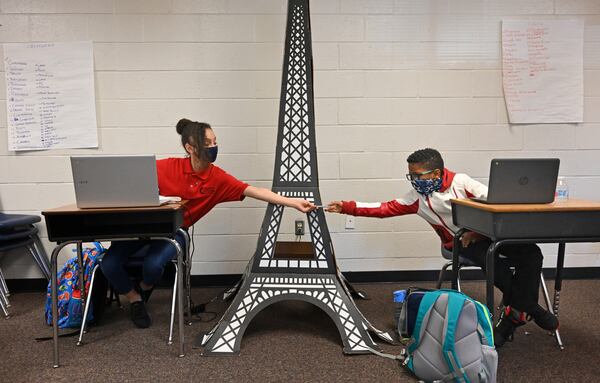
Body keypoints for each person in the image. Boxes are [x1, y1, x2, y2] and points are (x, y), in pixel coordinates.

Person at [326, 148, 558, 348]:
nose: (414, 180)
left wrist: (476, 232)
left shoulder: (462, 182)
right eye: (411, 175)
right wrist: (347, 207)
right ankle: (529, 309)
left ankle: (515, 315)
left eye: (417, 175)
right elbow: (384, 208)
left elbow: (494, 202)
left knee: (531, 253)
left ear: (436, 173)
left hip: (486, 236)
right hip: (457, 243)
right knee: (496, 264)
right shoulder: (417, 197)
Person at [101, 118, 316, 328]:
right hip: (141, 228)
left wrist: (293, 202)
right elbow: (128, 178)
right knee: (108, 264)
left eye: (215, 142)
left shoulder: (218, 178)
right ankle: (134, 297)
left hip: (174, 233)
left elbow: (254, 191)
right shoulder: (166, 167)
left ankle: (143, 289)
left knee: (153, 265)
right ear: (190, 148)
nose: (214, 147)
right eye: (208, 143)